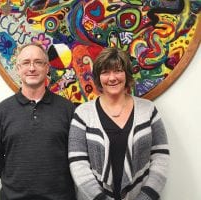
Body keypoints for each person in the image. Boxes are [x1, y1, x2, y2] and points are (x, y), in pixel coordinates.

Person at [68, 47, 169, 200]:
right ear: (98, 78)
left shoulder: (148, 110)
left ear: (127, 74)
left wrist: (146, 196)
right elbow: (78, 163)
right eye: (105, 72)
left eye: (118, 71)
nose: (112, 78)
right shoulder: (83, 114)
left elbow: (161, 156)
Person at [0, 42, 76, 200]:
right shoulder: (1, 112)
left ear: (47, 68)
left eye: (38, 62)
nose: (32, 68)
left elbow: (76, 156)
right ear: (18, 68)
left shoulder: (68, 110)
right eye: (26, 63)